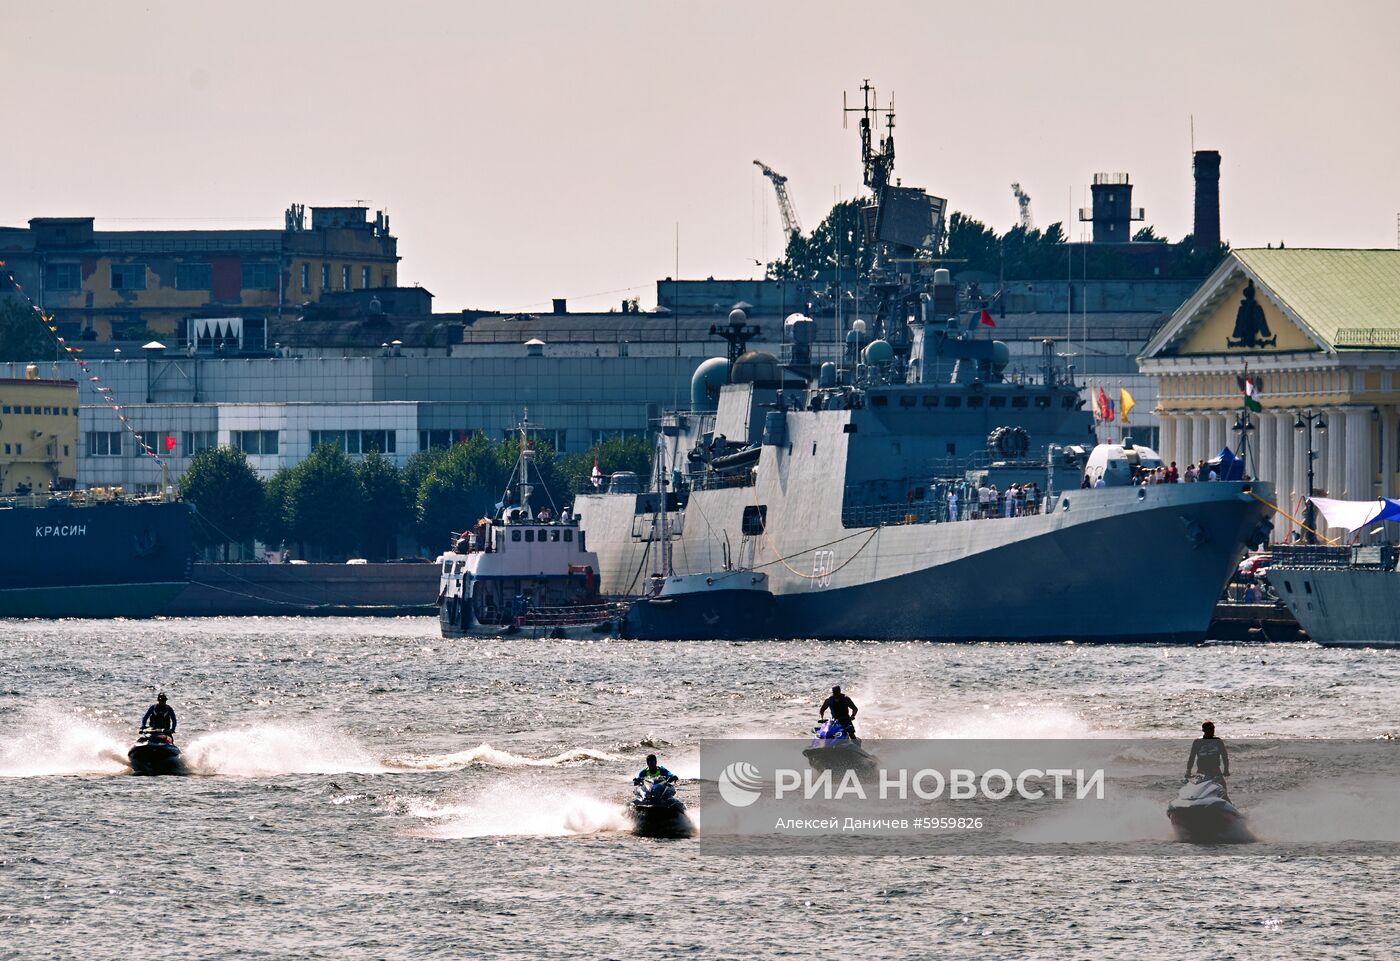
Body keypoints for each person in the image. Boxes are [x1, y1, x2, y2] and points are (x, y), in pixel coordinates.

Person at [1186, 720, 1230, 786]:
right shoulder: (1198, 742)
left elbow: (1224, 756)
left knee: (1222, 789)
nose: (1212, 731)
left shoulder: (1218, 741)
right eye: (1210, 729)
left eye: (1213, 728)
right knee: (1198, 790)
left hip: (1215, 770)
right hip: (1202, 770)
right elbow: (1192, 757)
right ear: (1204, 730)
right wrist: (1188, 771)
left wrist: (1226, 769)